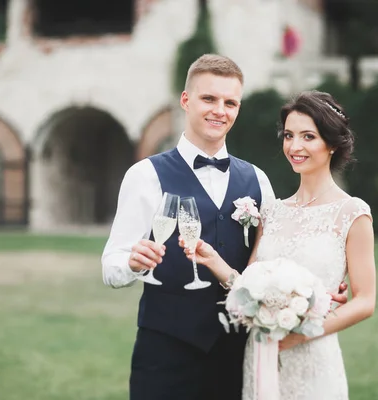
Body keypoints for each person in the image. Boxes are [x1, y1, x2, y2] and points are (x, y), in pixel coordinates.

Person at [102, 54, 277, 400]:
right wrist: (132, 264)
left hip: (238, 351)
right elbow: (111, 265)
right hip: (166, 352)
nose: (220, 111)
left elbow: (272, 259)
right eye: (209, 98)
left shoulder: (258, 180)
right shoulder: (145, 176)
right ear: (186, 100)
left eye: (230, 102)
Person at [181, 90, 376, 399]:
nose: (295, 146)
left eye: (308, 136)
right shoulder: (272, 210)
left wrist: (305, 334)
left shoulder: (352, 213)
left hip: (313, 358)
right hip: (261, 355)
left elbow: (365, 300)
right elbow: (247, 286)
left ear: (332, 144)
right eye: (289, 135)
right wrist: (215, 262)